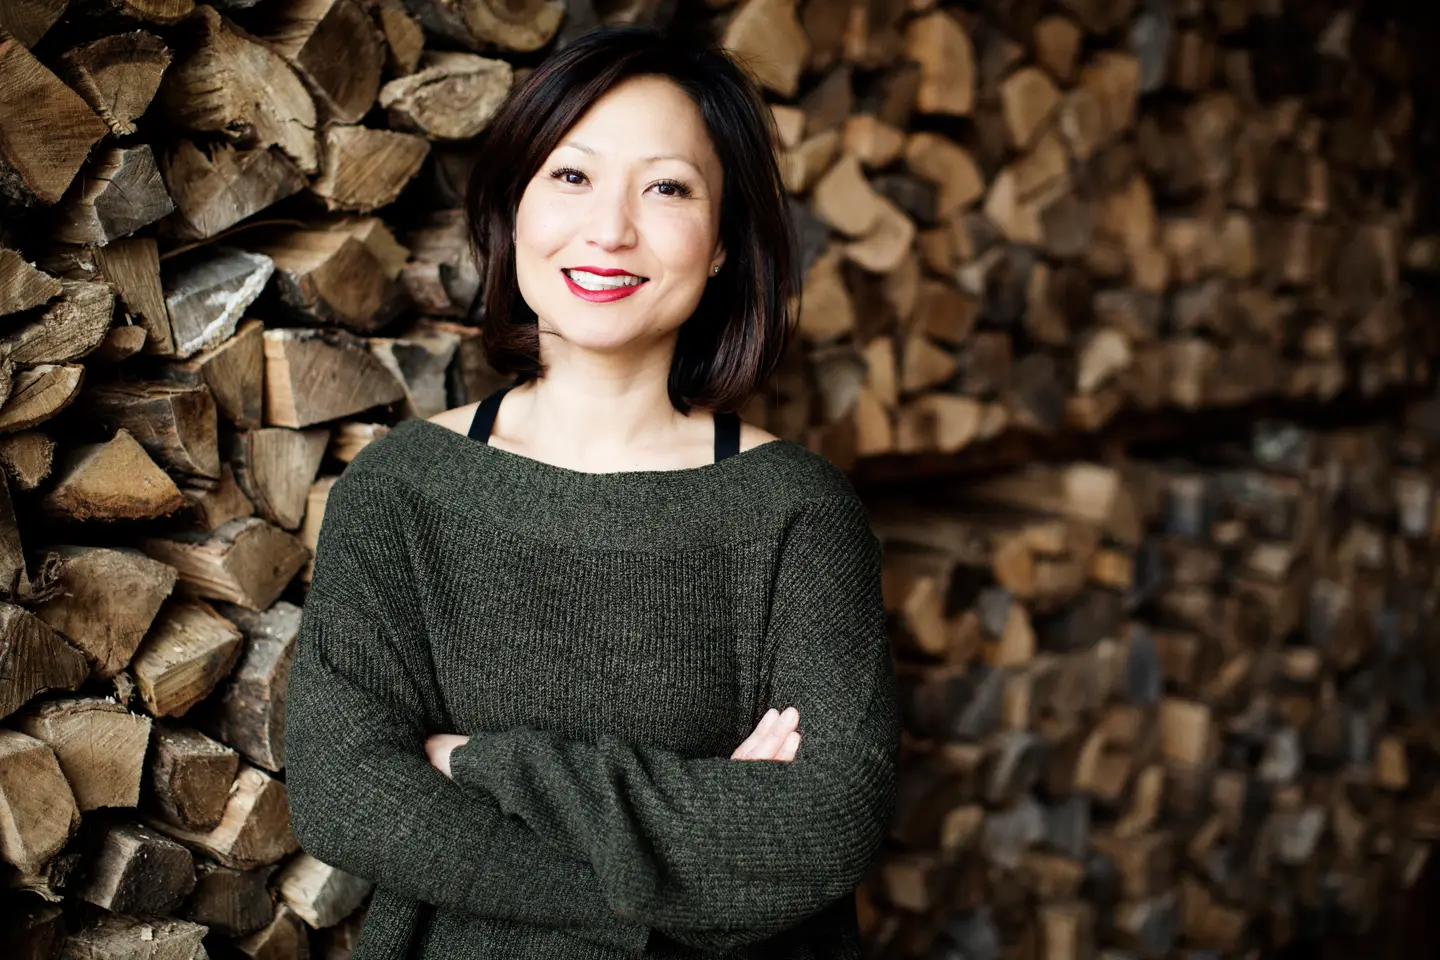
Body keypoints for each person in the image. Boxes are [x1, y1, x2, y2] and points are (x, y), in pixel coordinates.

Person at [283, 25, 901, 960]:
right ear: (514, 209)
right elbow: (346, 795)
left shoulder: (797, 513)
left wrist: (475, 764)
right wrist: (696, 859)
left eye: (667, 187)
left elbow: (822, 827)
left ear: (725, 242)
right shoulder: (403, 491)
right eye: (572, 177)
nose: (611, 229)